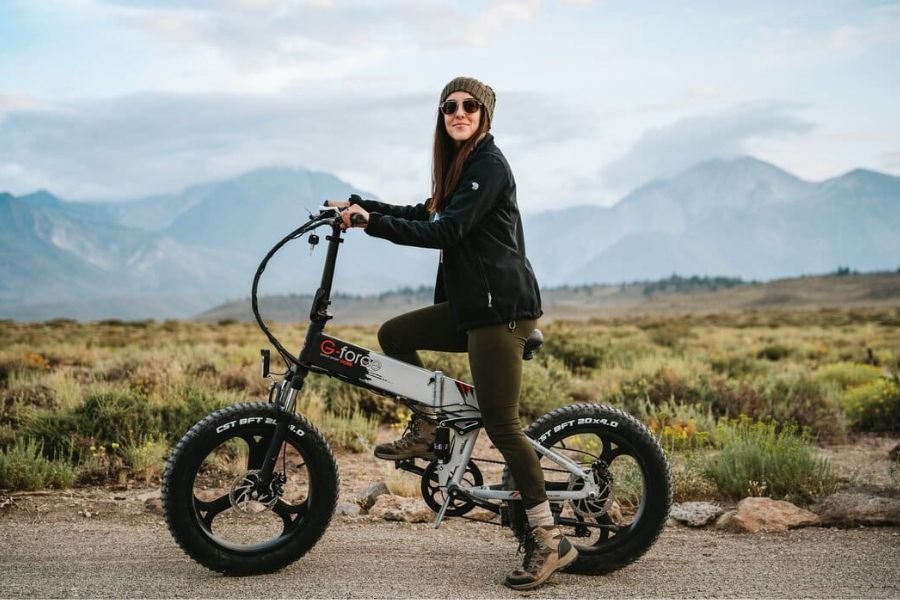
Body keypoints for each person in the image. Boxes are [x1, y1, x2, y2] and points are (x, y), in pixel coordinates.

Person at [329, 76, 577, 590]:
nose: (458, 113)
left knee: (501, 424)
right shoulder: (459, 168)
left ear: (485, 114)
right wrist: (361, 208)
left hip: (499, 312)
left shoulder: (488, 165)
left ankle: (548, 539)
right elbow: (425, 212)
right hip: (470, 307)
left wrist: (370, 224)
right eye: (449, 107)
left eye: (469, 106)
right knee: (395, 335)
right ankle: (430, 425)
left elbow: (445, 231)